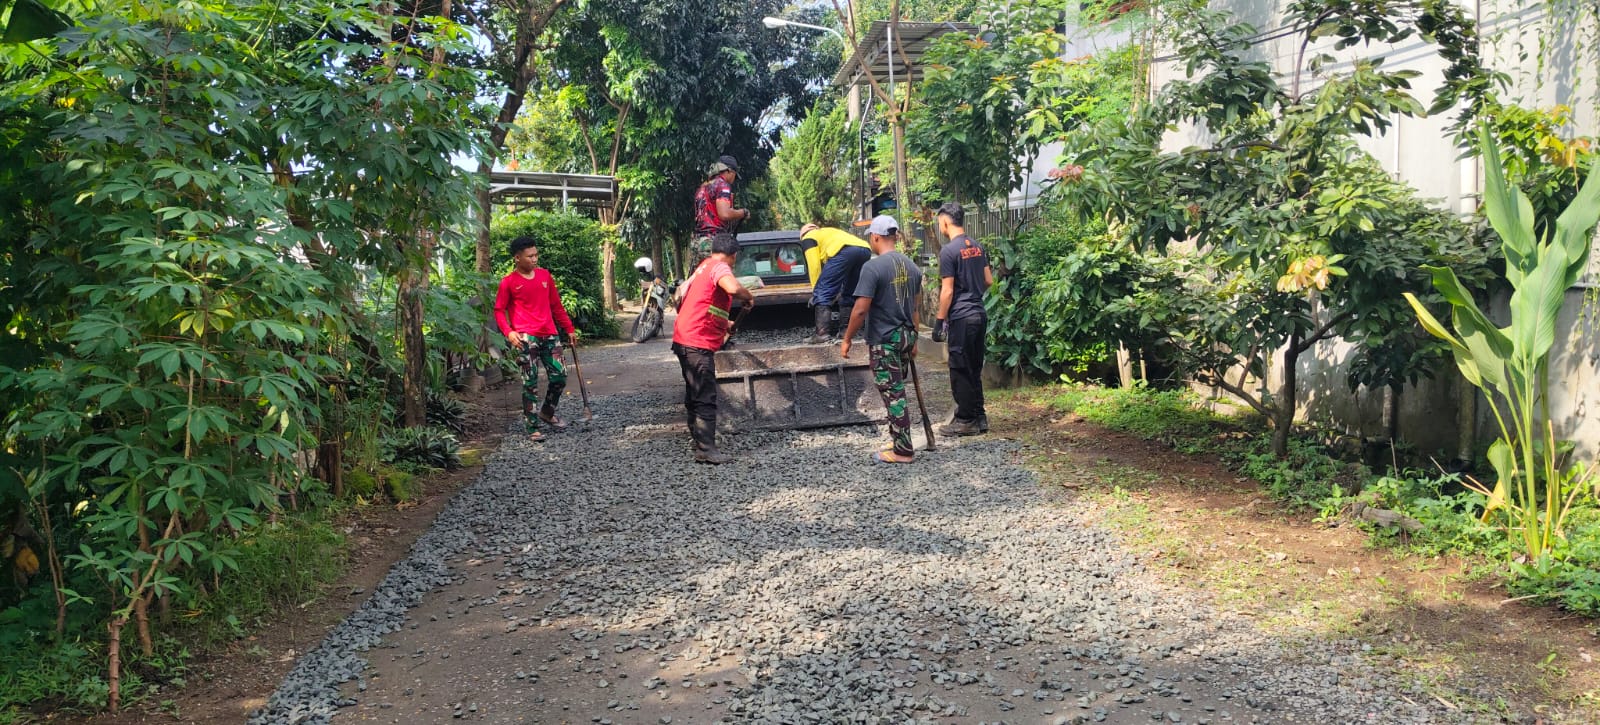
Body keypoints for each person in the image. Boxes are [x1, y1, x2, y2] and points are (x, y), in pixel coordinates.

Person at [840, 215, 924, 464]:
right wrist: (916, 340)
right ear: (895, 236)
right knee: (896, 392)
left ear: (875, 237)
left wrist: (847, 339)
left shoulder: (872, 267)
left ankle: (903, 452)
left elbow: (860, 309)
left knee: (893, 393)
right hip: (906, 335)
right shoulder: (912, 266)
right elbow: (916, 309)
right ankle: (900, 439)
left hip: (885, 339)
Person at [671, 234, 755, 464]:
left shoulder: (704, 266)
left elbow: (704, 303)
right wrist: (748, 296)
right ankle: (706, 449)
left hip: (684, 338)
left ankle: (699, 440)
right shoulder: (720, 267)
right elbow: (732, 287)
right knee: (705, 395)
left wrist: (725, 323)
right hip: (696, 341)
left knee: (694, 391)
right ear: (733, 255)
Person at [494, 236, 580, 442]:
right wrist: (509, 332)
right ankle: (532, 426)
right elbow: (498, 310)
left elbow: (556, 306)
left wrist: (569, 328)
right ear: (517, 258)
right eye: (529, 256)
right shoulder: (508, 283)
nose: (534, 259)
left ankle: (547, 413)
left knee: (560, 376)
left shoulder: (545, 276)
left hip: (550, 334)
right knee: (529, 382)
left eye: (536, 255)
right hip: (525, 337)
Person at [930, 202, 993, 436]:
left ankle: (965, 419)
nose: (939, 227)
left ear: (945, 221)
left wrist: (939, 322)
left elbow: (947, 291)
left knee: (959, 367)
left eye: (939, 223)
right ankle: (979, 416)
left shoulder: (948, 251)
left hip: (961, 317)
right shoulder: (976, 246)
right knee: (974, 366)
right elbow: (988, 280)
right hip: (979, 314)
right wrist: (973, 294)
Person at [798, 222, 873, 344]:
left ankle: (821, 334)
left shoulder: (808, 238)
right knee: (850, 291)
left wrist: (816, 291)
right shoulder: (828, 232)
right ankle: (846, 332)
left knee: (823, 291)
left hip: (844, 251)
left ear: (802, 235)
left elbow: (814, 265)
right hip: (865, 249)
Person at [690, 155, 749, 269]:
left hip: (697, 241)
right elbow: (724, 213)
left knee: (700, 279)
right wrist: (743, 212)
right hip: (713, 242)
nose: (733, 180)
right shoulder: (723, 185)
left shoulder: (703, 187)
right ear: (729, 171)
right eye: (734, 175)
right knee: (721, 278)